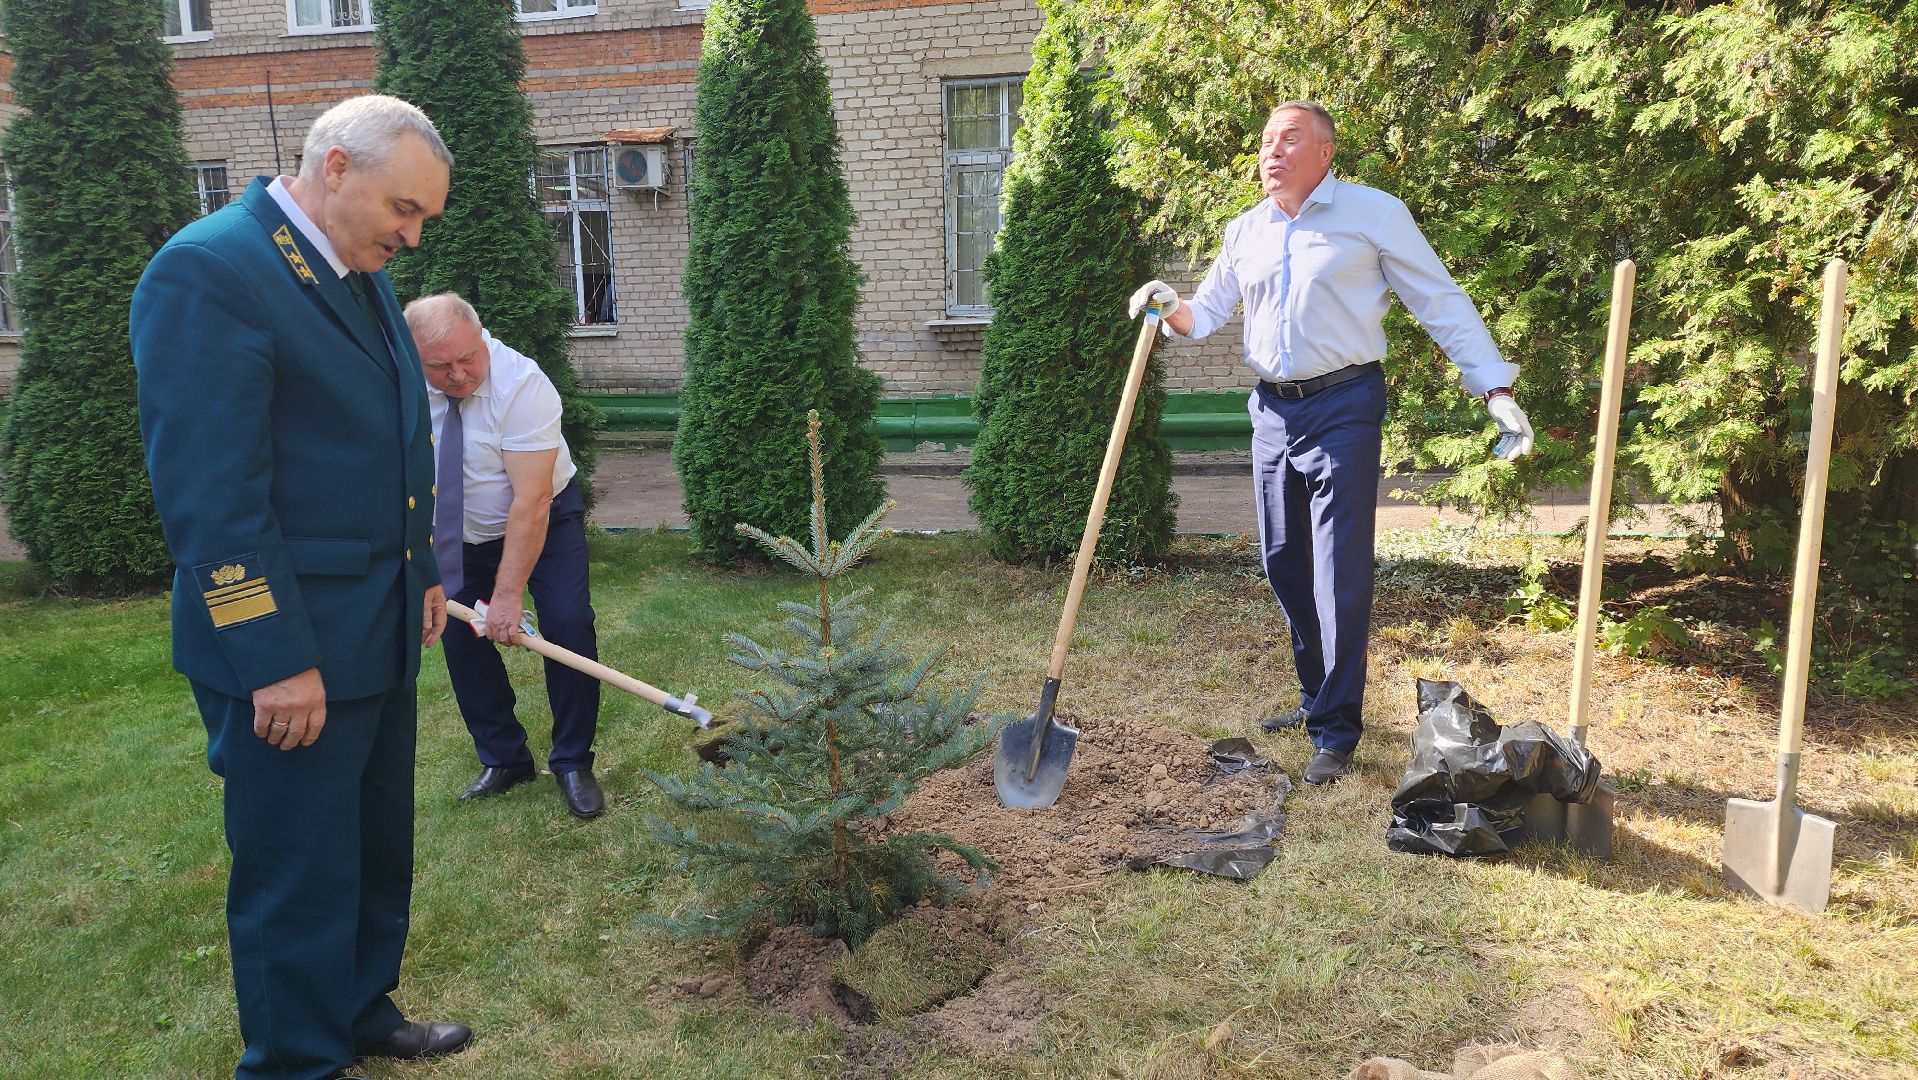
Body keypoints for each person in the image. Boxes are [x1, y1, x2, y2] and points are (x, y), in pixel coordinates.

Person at [131, 95, 471, 1080]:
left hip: (375, 630)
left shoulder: (348, 269)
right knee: (296, 873)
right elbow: (213, 500)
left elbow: (385, 441)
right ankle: (294, 1060)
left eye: (423, 220)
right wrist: (274, 660)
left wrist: (425, 575)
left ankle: (359, 1008)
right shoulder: (214, 271)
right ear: (333, 167)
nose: (411, 236)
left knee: (369, 850)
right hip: (289, 653)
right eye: (402, 210)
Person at [1129, 100, 1534, 786]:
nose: (1271, 151)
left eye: (1288, 139)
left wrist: (1495, 388)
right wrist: (1169, 305)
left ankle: (1337, 729)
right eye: (1264, 141)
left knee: (1338, 570)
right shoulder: (1247, 230)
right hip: (1271, 412)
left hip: (1344, 403)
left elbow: (1439, 299)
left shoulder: (1373, 214)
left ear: (1325, 151)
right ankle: (1318, 695)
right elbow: (1206, 316)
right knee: (1285, 561)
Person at [403, 293, 606, 820]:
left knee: (567, 622)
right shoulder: (396, 385)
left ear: (481, 335)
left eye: (468, 358)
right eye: (440, 366)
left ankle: (572, 762)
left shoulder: (522, 384)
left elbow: (531, 500)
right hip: (449, 529)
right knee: (458, 635)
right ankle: (503, 757)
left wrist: (508, 597)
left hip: (542, 516)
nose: (458, 374)